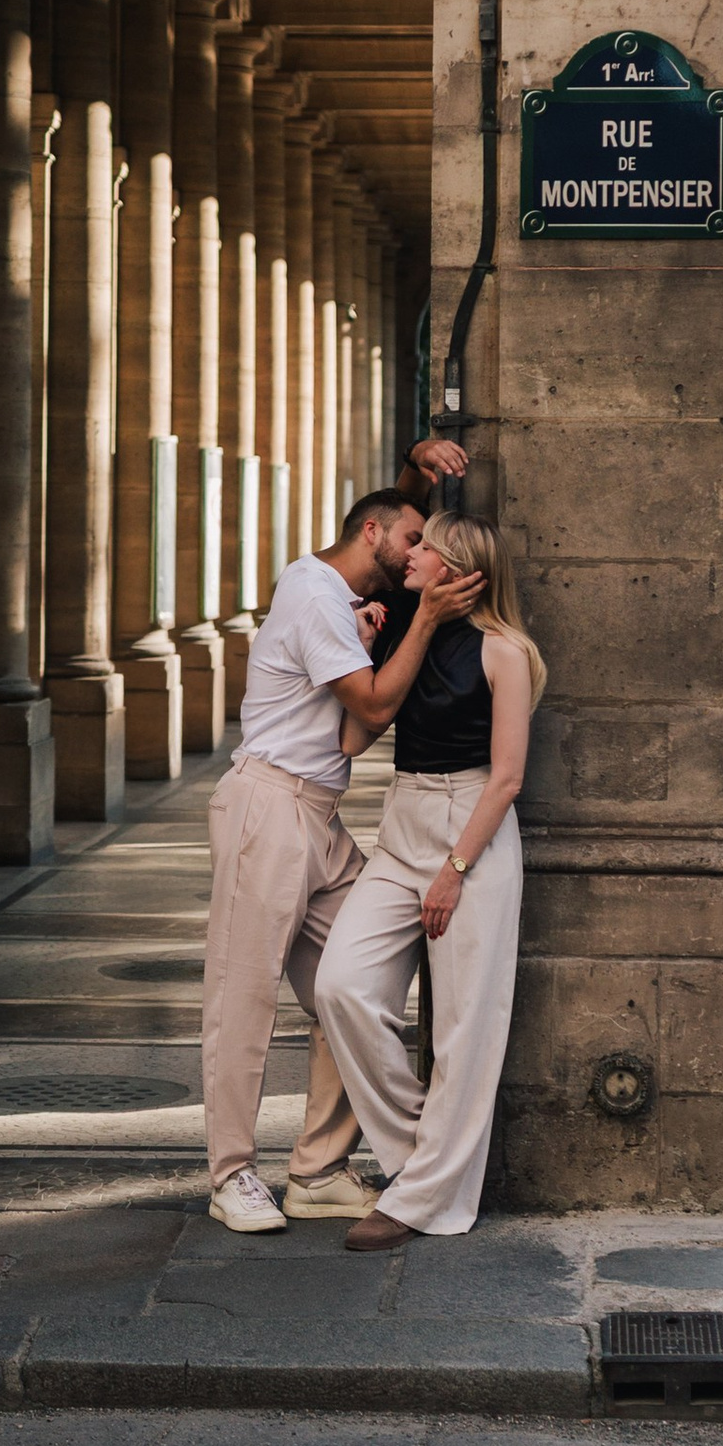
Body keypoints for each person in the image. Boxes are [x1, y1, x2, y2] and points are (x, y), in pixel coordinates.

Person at [200, 470, 482, 1235]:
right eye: (412, 538)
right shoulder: (314, 590)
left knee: (356, 983)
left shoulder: (340, 605)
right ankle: (230, 1175)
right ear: (372, 534)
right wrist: (423, 619)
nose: (420, 551)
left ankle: (319, 1168)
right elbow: (375, 705)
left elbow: (357, 724)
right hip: (269, 807)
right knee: (243, 997)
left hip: (318, 817)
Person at [314, 514, 542, 1246]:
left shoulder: (505, 651)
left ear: (459, 567)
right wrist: (372, 647)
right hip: (404, 814)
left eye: (424, 546)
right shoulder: (409, 626)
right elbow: (354, 736)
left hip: (470, 825)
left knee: (464, 1027)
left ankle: (422, 1200)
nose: (409, 554)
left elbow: (507, 778)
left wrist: (455, 870)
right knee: (341, 986)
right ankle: (428, 1161)